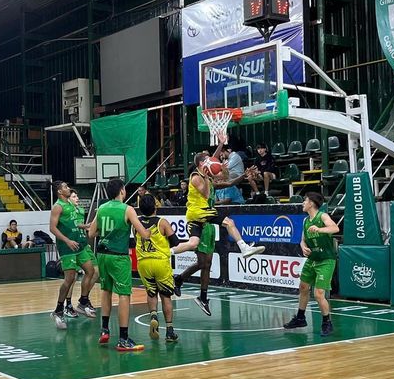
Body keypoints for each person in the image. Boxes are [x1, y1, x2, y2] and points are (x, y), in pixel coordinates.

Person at [171, 135, 264, 316]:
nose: (211, 160)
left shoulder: (207, 175)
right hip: (199, 215)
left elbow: (228, 181)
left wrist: (242, 174)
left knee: (205, 263)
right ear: (202, 164)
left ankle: (188, 286)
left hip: (206, 220)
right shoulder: (197, 177)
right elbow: (206, 194)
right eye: (207, 159)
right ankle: (243, 247)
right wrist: (210, 173)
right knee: (227, 225)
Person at [88, 178, 151, 351]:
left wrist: (107, 232)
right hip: (118, 256)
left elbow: (91, 233)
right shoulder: (127, 209)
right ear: (122, 191)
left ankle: (104, 329)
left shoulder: (101, 208)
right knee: (124, 295)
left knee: (106, 291)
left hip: (102, 255)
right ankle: (123, 338)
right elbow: (144, 234)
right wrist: (151, 231)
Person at [284, 192, 338, 337]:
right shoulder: (306, 220)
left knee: (319, 294)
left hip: (326, 260)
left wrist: (320, 229)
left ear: (312, 203)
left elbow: (335, 228)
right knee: (303, 287)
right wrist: (303, 247)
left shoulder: (322, 216)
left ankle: (327, 322)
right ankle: (300, 318)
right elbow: (302, 240)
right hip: (312, 259)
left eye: (305, 200)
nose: (303, 203)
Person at [49, 181, 97, 328]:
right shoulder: (58, 206)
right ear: (59, 191)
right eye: (65, 187)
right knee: (69, 279)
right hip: (67, 247)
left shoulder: (70, 205)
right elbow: (52, 228)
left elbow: (73, 224)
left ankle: (83, 302)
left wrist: (84, 226)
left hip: (79, 245)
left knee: (91, 271)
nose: (68, 188)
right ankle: (58, 310)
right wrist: (67, 240)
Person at [136, 194, 179, 342]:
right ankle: (169, 330)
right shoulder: (162, 222)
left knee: (151, 292)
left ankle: (153, 315)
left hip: (143, 263)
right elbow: (175, 241)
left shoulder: (137, 222)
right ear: (155, 207)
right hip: (160, 262)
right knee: (165, 296)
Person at [64, 188, 99, 317]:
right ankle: (68, 305)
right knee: (72, 277)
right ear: (68, 199)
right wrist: (87, 225)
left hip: (83, 245)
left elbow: (83, 227)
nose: (77, 198)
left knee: (96, 272)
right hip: (71, 245)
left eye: (77, 196)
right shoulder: (65, 211)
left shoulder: (80, 210)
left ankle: (84, 300)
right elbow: (75, 225)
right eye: (74, 196)